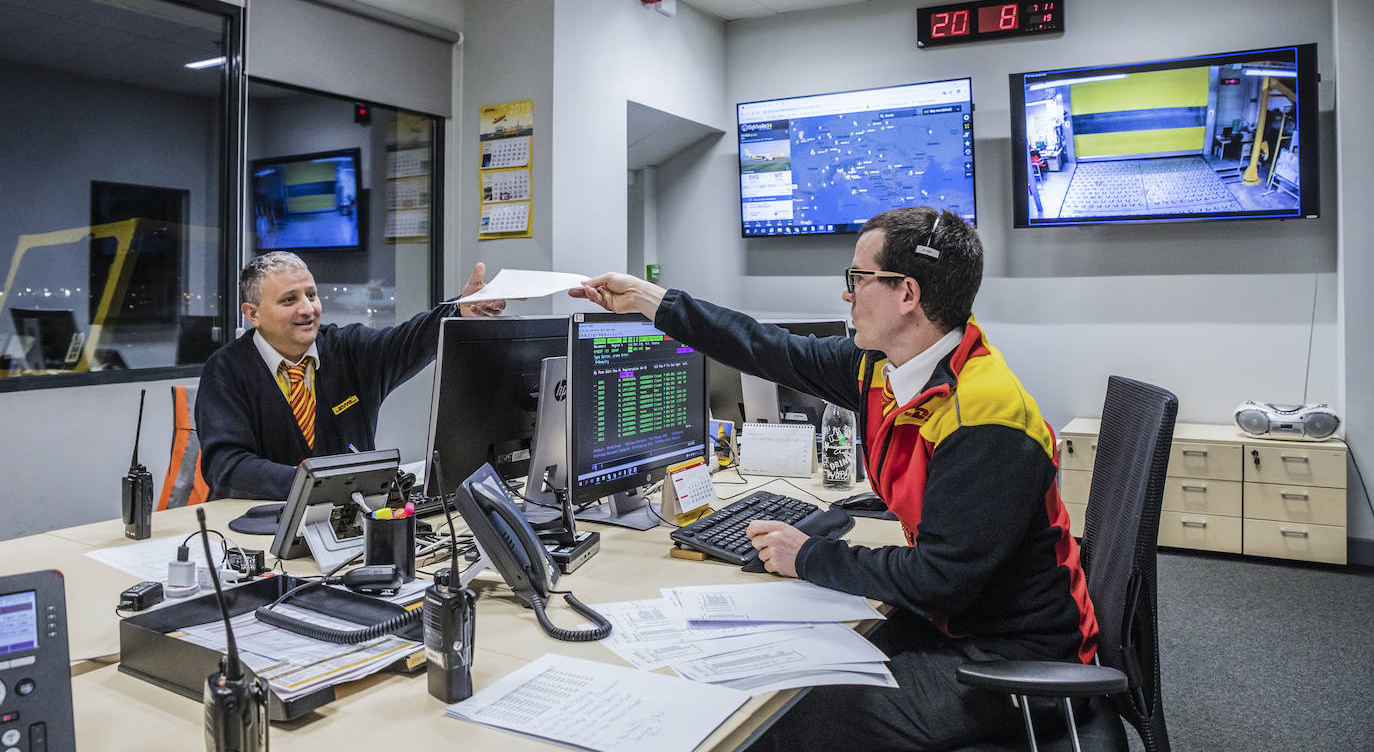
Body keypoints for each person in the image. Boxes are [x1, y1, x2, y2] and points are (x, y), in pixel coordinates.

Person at [572, 206, 1096, 750]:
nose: (847, 295)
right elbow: (767, 348)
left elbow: (940, 579)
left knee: (780, 717)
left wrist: (808, 557)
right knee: (780, 666)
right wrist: (650, 301)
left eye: (858, 278)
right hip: (955, 624)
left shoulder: (985, 417)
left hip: (1014, 661)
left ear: (907, 294)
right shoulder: (885, 367)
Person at [196, 251, 505, 500]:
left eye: (312, 295)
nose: (308, 309)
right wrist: (317, 483)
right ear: (253, 314)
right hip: (256, 525)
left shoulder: (348, 349)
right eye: (289, 300)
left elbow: (408, 341)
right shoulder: (226, 369)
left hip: (350, 522)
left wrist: (458, 311)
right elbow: (227, 467)